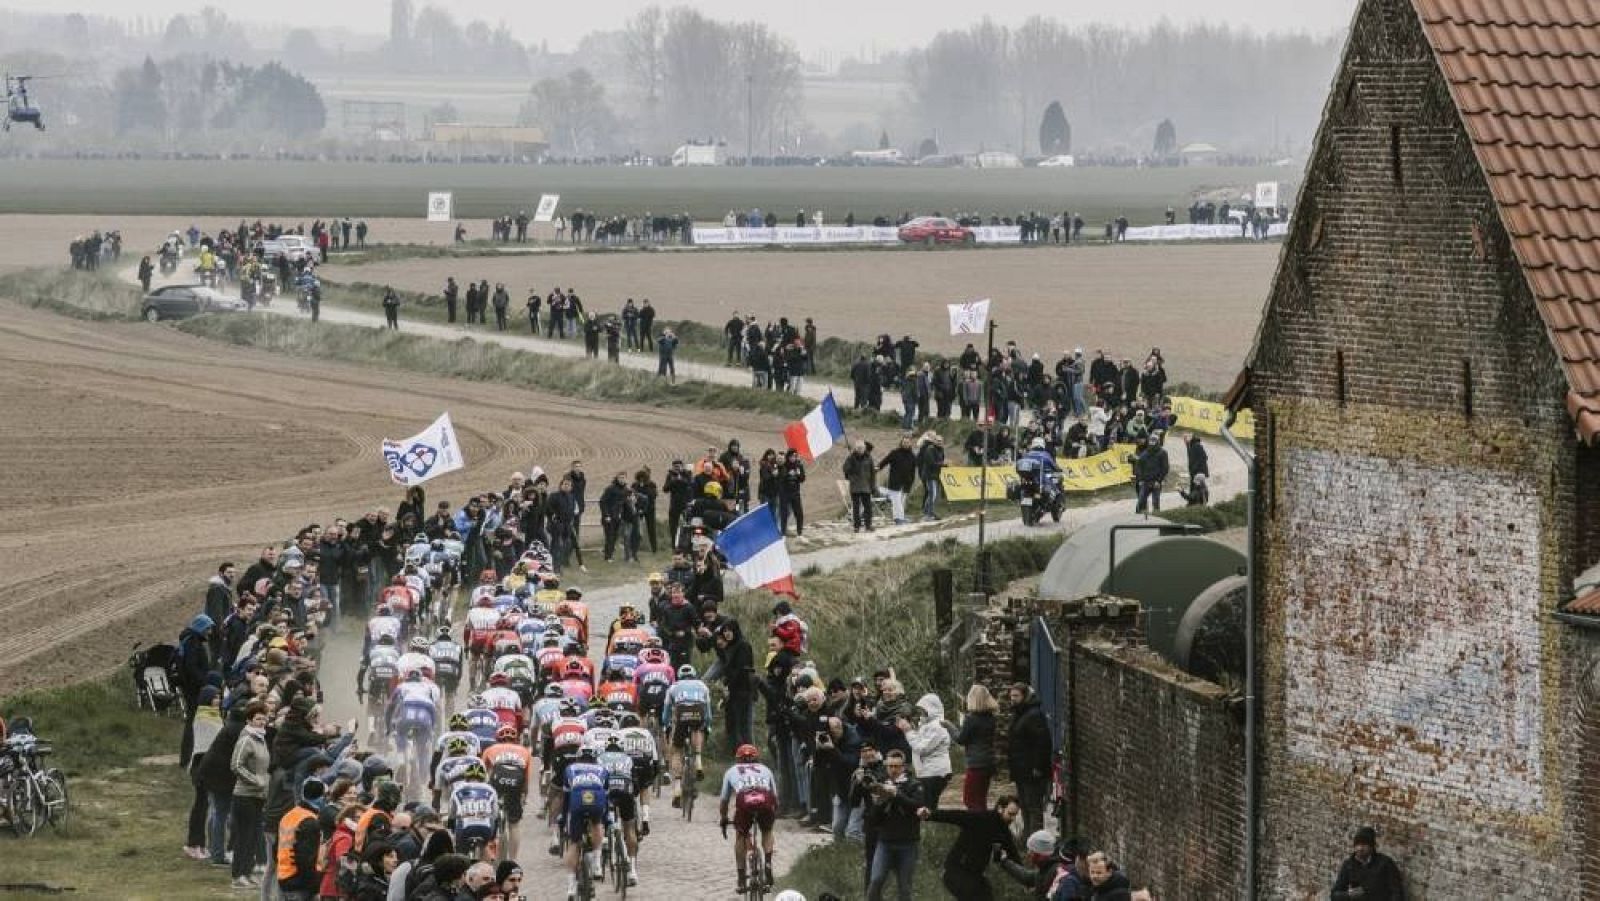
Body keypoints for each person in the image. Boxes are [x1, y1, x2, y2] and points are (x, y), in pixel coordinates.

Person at [917, 794, 1023, 901]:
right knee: (974, 894)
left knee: (986, 893)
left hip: (975, 875)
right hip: (956, 871)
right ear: (1000, 808)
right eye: (1011, 814)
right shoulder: (980, 818)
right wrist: (930, 814)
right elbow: (955, 816)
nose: (1013, 819)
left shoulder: (1003, 831)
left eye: (1015, 815)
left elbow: (1013, 853)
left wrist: (1027, 880)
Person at [863, 749, 924, 901]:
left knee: (904, 888)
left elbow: (916, 807)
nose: (893, 770)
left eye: (896, 766)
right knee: (875, 881)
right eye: (890, 766)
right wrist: (879, 803)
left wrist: (896, 794)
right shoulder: (881, 784)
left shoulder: (914, 785)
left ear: (904, 767)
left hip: (908, 843)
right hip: (885, 842)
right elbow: (872, 820)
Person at [719, 744, 779, 895]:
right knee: (767, 831)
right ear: (757, 758)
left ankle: (741, 877)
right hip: (764, 801)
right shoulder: (766, 769)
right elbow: (775, 797)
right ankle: (768, 863)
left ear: (738, 759)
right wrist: (773, 813)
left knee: (740, 835)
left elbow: (724, 800)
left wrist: (724, 817)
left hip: (744, 804)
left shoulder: (731, 771)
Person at [230, 701, 272, 890]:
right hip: (244, 795)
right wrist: (255, 780)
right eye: (257, 719)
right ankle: (238, 875)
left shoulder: (261, 739)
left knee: (254, 836)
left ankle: (247, 872)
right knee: (244, 837)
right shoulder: (246, 739)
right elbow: (236, 765)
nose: (261, 722)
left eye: (264, 718)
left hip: (258, 796)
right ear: (249, 720)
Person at [1006, 683, 1052, 833]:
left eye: (1016, 696)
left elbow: (1042, 743)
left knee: (1033, 806)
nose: (1013, 699)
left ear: (1025, 696)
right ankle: (1028, 840)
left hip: (1031, 770)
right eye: (1011, 696)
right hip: (1021, 769)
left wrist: (1038, 767)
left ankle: (1036, 842)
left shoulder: (1033, 715)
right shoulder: (1020, 714)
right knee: (1025, 805)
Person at [900, 693, 953, 804]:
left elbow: (922, 748)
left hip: (934, 772)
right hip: (927, 771)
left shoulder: (937, 726)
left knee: (927, 804)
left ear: (932, 709)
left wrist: (908, 732)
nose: (921, 713)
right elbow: (920, 741)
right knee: (927, 803)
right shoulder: (927, 725)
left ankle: (930, 820)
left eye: (924, 710)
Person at [955, 684, 999, 811]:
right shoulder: (991, 718)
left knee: (969, 799)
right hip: (989, 761)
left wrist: (949, 726)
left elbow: (961, 739)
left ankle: (978, 826)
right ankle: (983, 825)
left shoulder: (971, 719)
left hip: (976, 763)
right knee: (981, 799)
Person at [1331, 826, 1405, 900]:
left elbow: (1397, 892)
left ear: (1372, 846)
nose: (1360, 848)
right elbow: (1334, 895)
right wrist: (1349, 895)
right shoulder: (1349, 865)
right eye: (1357, 845)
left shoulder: (1385, 863)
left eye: (1364, 845)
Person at [877, 435, 917, 526]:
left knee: (902, 502)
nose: (906, 444)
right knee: (896, 501)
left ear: (910, 443)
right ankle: (897, 518)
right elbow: (884, 462)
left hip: (906, 482)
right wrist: (877, 468)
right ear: (901, 443)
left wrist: (911, 481)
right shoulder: (894, 453)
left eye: (907, 442)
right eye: (904, 442)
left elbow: (913, 471)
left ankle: (901, 517)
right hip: (895, 482)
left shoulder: (912, 456)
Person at [843, 440, 877, 533]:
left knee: (868, 507)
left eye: (862, 448)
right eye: (858, 448)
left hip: (866, 486)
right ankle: (856, 526)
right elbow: (845, 469)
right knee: (856, 508)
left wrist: (873, 486)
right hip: (855, 487)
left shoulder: (869, 458)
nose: (860, 450)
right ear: (855, 448)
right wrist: (852, 465)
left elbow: (872, 473)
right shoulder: (851, 457)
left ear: (864, 448)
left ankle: (868, 525)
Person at [1133, 433, 1168, 514]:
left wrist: (1159, 481)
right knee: (1141, 502)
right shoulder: (1145, 453)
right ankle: (1138, 518)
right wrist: (1140, 479)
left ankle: (1156, 519)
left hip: (1156, 482)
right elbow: (1139, 466)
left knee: (1155, 503)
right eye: (1151, 440)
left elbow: (1165, 468)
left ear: (1158, 441)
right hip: (1145, 481)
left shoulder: (1163, 453)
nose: (1152, 442)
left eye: (1154, 440)